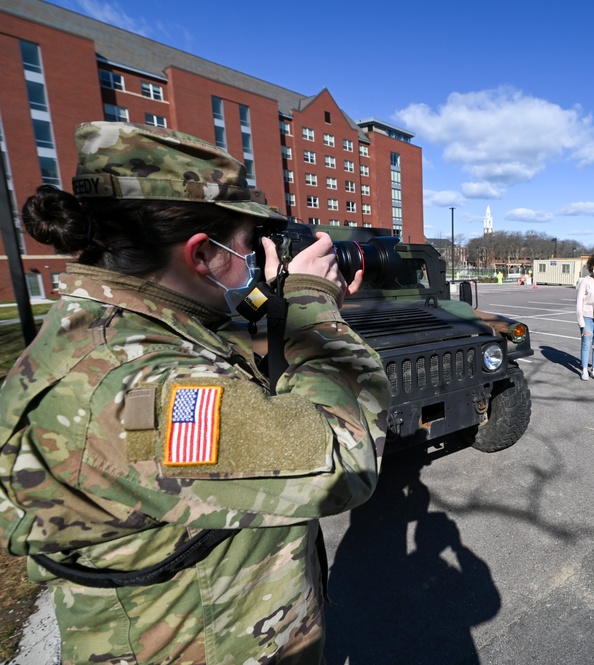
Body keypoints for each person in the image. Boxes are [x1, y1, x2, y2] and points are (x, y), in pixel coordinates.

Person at [0, 122, 390, 663]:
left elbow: (218, 343)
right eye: (248, 245)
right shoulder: (142, 386)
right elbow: (345, 463)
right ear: (201, 253)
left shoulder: (115, 324)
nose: (254, 256)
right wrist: (312, 308)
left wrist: (282, 300)